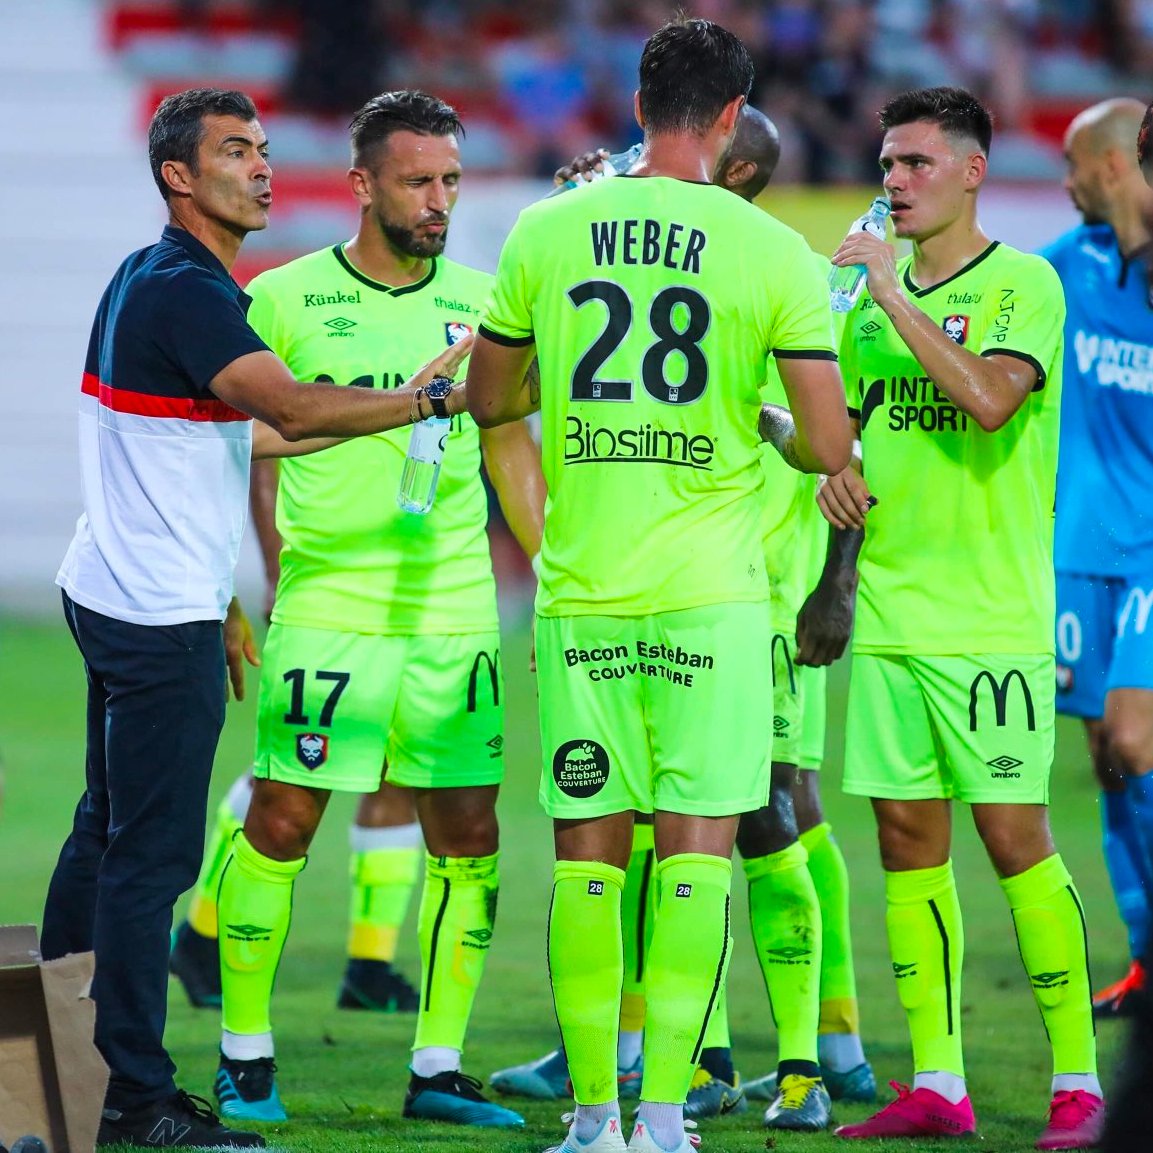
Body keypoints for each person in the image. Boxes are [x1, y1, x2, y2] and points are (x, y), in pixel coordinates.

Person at [41, 86, 475, 1150]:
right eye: (235, 151)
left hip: (118, 588)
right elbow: (286, 405)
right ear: (179, 176)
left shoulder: (147, 276)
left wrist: (379, 411)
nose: (263, 167)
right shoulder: (192, 292)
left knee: (103, 832)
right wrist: (426, 403)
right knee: (151, 860)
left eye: (264, 148)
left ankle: (48, 1058)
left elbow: (247, 436)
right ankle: (135, 1098)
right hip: (157, 617)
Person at [467, 18, 852, 1153]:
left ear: (637, 106)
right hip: (713, 601)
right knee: (694, 853)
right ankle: (668, 1122)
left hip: (584, 592)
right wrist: (766, 423)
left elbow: (491, 402)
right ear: (731, 115)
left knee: (588, 860)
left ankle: (592, 1118)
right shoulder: (772, 251)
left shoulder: (547, 228)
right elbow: (829, 448)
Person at [204, 89, 543, 1130]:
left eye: (451, 180)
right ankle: (244, 1057)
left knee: (470, 830)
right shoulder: (284, 296)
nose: (439, 200)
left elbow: (509, 447)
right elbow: (225, 444)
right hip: (330, 605)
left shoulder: (489, 305)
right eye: (417, 181)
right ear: (361, 184)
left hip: (454, 612)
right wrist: (230, 583)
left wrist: (557, 582)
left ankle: (437, 1067)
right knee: (281, 817)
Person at [807, 86, 1103, 1148]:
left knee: (1016, 839)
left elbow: (987, 400)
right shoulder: (856, 307)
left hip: (988, 617)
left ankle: (1078, 1081)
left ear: (972, 172)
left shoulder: (1022, 283)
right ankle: (939, 1082)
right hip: (890, 609)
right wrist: (832, 528)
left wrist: (891, 295)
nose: (894, 180)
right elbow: (849, 444)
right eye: (888, 162)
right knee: (904, 840)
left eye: (917, 162)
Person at [170, 461, 423, 1017]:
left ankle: (370, 963)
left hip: (421, 596)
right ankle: (203, 932)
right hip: (330, 594)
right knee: (289, 773)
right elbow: (272, 447)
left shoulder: (450, 394)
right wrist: (276, 563)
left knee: (398, 765)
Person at [1041, 97, 1153, 1021]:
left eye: (1074, 162)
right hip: (1080, 549)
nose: (1066, 179)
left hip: (1149, 547)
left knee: (1133, 735)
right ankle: (1144, 952)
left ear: (1112, 165)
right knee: (1107, 759)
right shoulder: (1063, 265)